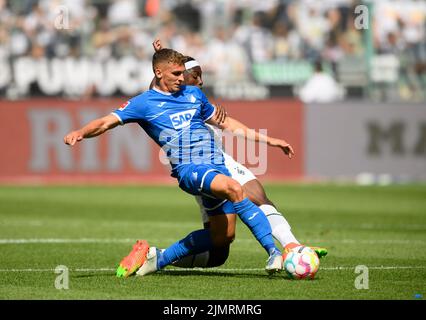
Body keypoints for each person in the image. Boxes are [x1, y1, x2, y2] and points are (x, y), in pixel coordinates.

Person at [64, 48, 284, 278]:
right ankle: (273, 252)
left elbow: (226, 122)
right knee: (235, 188)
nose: (182, 78)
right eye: (177, 73)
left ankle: (158, 258)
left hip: (217, 165)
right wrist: (81, 132)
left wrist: (269, 140)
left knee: (223, 237)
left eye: (183, 73)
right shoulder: (144, 103)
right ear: (158, 73)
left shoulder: (194, 95)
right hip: (191, 170)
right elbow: (105, 122)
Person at [148, 39, 327, 269]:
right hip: (200, 169)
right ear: (180, 75)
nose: (200, 81)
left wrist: (270, 141)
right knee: (219, 252)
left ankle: (292, 247)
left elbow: (234, 127)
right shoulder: (168, 102)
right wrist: (160, 60)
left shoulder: (198, 100)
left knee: (258, 195)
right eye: (196, 75)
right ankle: (160, 256)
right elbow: (152, 94)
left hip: (223, 162)